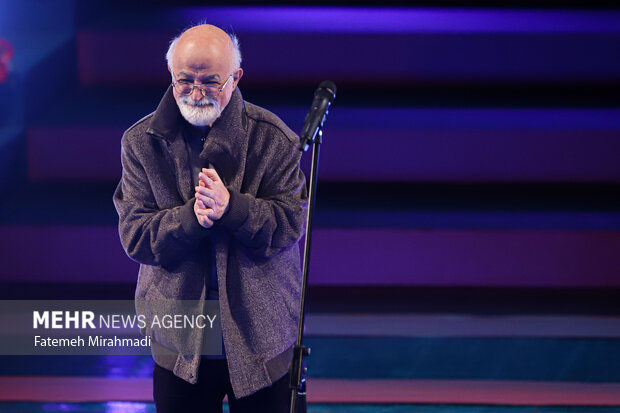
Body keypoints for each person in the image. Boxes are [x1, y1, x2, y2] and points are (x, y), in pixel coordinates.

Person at [113, 23, 307, 413]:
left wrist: (232, 209)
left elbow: (288, 223)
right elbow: (135, 235)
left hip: (263, 339)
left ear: (235, 78)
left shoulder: (275, 140)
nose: (197, 93)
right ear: (170, 74)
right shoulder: (139, 143)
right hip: (179, 341)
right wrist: (190, 219)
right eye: (185, 80)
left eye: (210, 82)